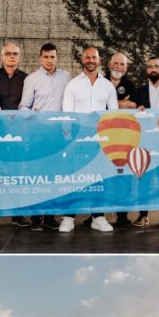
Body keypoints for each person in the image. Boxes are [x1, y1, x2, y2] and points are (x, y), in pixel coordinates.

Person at [60, 46, 117, 233]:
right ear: (82, 60)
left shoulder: (108, 86)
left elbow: (114, 114)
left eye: (94, 57)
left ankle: (98, 217)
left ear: (99, 61)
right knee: (75, 177)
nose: (91, 60)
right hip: (78, 139)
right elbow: (66, 115)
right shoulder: (73, 85)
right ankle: (69, 217)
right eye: (88, 57)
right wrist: (69, 139)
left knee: (99, 178)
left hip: (101, 140)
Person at [19, 43, 70, 232]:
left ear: (57, 58)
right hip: (39, 135)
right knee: (37, 175)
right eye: (46, 57)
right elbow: (23, 106)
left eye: (53, 57)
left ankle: (50, 217)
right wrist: (32, 113)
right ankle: (36, 217)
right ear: (40, 58)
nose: (49, 60)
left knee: (55, 176)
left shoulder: (66, 77)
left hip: (59, 135)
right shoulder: (31, 79)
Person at [0, 42, 28, 229]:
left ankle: (17, 215)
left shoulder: (27, 79)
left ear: (19, 57)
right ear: (1, 57)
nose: (12, 57)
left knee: (18, 174)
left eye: (15, 54)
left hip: (19, 135)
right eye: (8, 54)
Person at [131, 55, 159, 227]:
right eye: (150, 66)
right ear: (146, 70)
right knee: (143, 179)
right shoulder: (139, 92)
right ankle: (143, 214)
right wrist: (136, 110)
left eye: (157, 66)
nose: (153, 69)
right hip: (145, 141)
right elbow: (129, 113)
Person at [104, 52, 137, 228]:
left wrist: (111, 103)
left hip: (123, 135)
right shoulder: (99, 81)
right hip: (103, 134)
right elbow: (99, 105)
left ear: (126, 67)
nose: (118, 67)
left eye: (122, 64)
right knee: (102, 175)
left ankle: (122, 215)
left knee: (122, 175)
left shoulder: (130, 85)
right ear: (109, 65)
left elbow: (133, 105)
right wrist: (122, 103)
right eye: (115, 63)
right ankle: (97, 215)